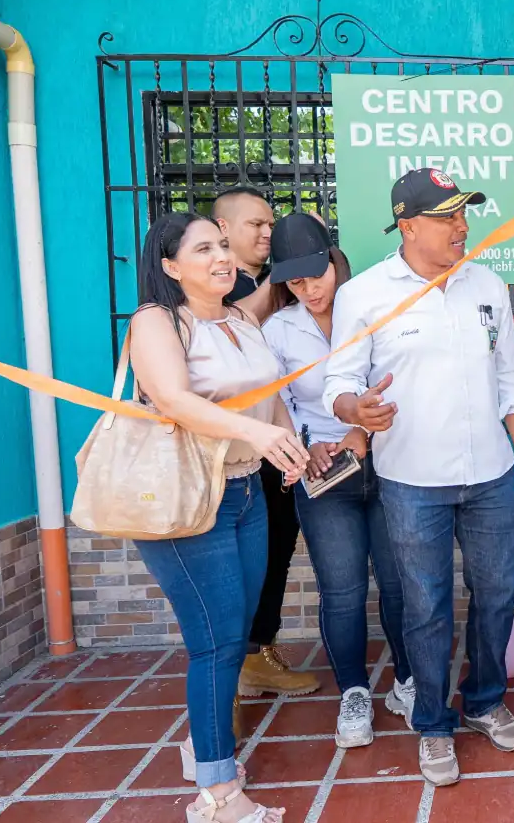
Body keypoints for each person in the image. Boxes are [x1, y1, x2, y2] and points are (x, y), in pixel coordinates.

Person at [323, 168, 514, 786]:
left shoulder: (487, 285)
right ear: (409, 225)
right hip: (411, 480)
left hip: (493, 476)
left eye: (463, 214)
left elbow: (511, 382)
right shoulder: (363, 295)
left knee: (498, 593)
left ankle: (484, 700)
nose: (461, 226)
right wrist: (352, 409)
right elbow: (338, 382)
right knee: (426, 607)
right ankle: (432, 723)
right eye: (448, 216)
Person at [129, 211, 310, 823]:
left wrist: (288, 447)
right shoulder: (157, 322)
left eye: (222, 245)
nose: (222, 256)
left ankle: (201, 746)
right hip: (186, 501)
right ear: (171, 266)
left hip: (244, 492)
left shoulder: (240, 319)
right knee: (215, 643)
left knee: (235, 635)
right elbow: (175, 400)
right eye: (203, 248)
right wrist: (257, 433)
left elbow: (272, 393)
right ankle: (216, 794)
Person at [261, 213, 412, 749]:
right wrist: (307, 444)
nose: (310, 289)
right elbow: (278, 403)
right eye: (295, 282)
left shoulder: (371, 305)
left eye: (316, 274)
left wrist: (359, 435)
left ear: (334, 258)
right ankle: (353, 692)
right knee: (343, 590)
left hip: (390, 462)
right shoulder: (278, 330)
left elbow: (400, 382)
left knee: (398, 584)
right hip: (324, 474)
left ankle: (409, 683)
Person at [212, 186, 321, 701]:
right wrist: (284, 273)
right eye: (256, 224)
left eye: (271, 223)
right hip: (230, 458)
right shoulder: (219, 288)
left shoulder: (257, 280)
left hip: (274, 451)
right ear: (223, 231)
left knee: (275, 552)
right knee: (238, 568)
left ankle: (259, 652)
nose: (267, 232)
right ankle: (233, 673)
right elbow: (244, 321)